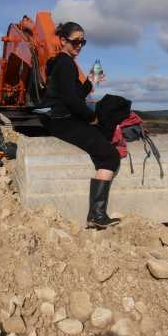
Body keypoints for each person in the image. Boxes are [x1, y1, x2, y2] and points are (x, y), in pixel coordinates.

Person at [45, 21, 121, 230]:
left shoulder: (59, 63)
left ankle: (96, 213)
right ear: (62, 40)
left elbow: (75, 94)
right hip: (65, 122)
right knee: (110, 156)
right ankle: (96, 215)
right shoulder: (66, 64)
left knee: (102, 139)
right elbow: (72, 101)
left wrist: (89, 82)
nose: (79, 45)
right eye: (75, 41)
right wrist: (91, 118)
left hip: (58, 120)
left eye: (83, 42)